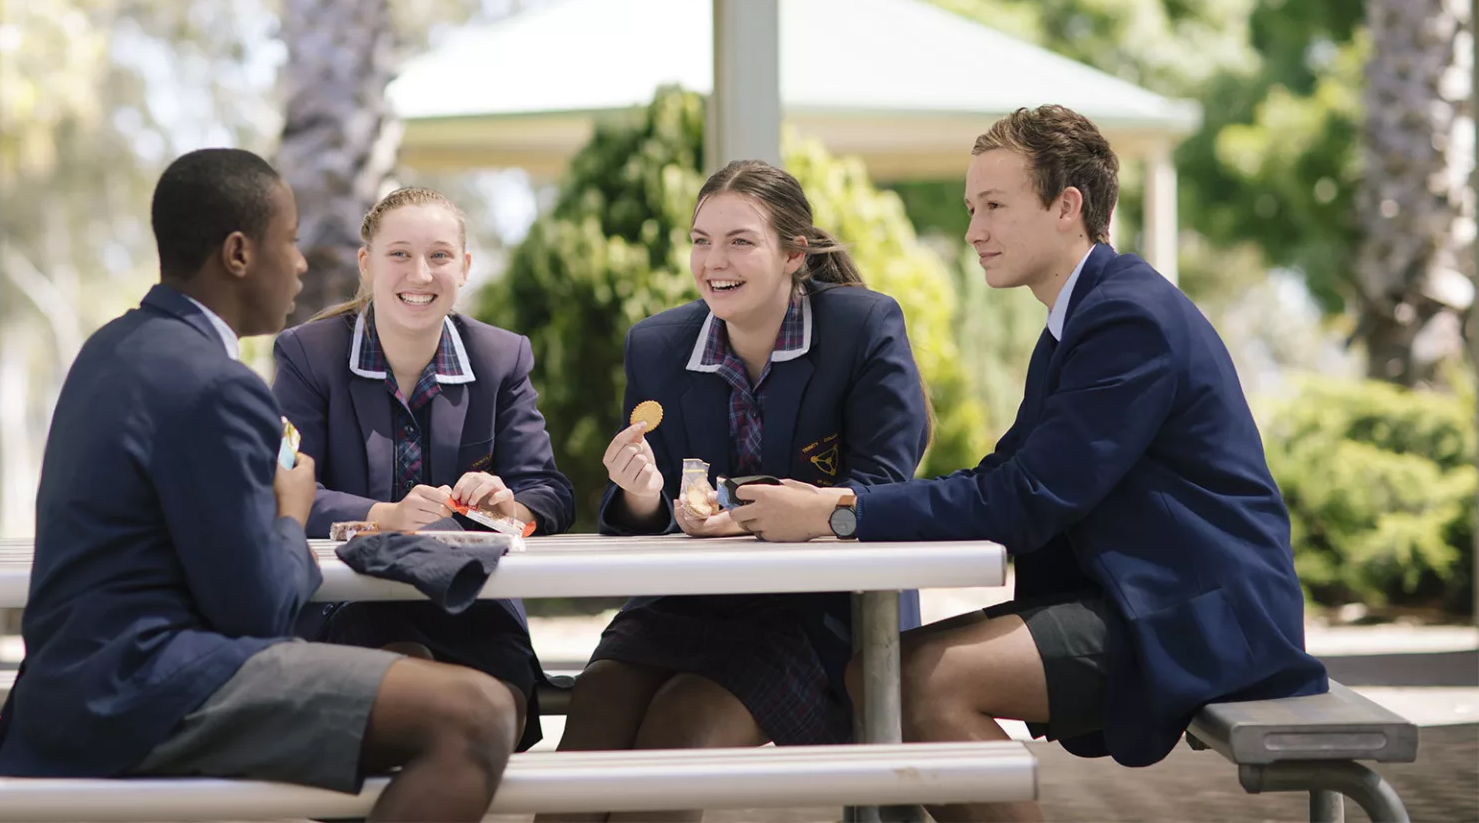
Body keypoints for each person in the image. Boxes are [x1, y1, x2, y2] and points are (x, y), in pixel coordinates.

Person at [729, 106, 1328, 823]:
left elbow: (1027, 498)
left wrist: (837, 512)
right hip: (1142, 598)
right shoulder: (1077, 321)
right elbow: (1000, 477)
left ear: (1067, 207)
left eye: (994, 206)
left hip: (1204, 615)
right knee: (879, 675)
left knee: (920, 683)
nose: (973, 230)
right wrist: (837, 507)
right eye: (970, 208)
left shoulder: (1126, 318)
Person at [0, 149, 515, 822]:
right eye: (288, 240)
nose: (299, 262)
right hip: (146, 689)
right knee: (478, 714)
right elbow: (257, 610)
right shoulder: (216, 385)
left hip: (67, 686)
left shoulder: (111, 347)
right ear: (238, 253)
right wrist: (291, 514)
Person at [552, 160, 930, 803]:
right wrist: (643, 495)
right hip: (689, 601)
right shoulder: (655, 346)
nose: (712, 261)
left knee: (680, 729)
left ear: (793, 253)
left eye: (739, 241)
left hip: (815, 611)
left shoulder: (861, 329)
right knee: (596, 709)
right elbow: (652, 508)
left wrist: (766, 516)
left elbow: (881, 486)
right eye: (700, 240)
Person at [272, 186, 576, 751]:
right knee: (424, 711)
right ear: (367, 265)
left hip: (475, 605)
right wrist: (382, 514)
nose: (421, 273)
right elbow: (283, 490)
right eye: (399, 254)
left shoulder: (501, 358)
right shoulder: (307, 355)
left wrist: (510, 505)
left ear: (463, 268)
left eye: (439, 256)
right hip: (354, 603)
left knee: (493, 722)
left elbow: (550, 493)